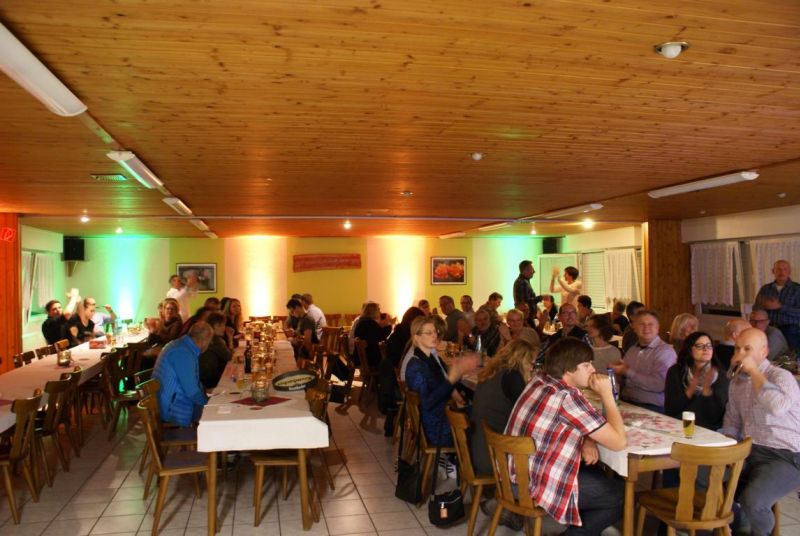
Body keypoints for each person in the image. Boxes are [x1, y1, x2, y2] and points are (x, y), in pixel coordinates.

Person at [506, 338, 626, 535]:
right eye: (586, 365)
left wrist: (588, 438)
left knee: (595, 471)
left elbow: (572, 421)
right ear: (569, 370)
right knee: (622, 496)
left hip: (512, 475)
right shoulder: (568, 398)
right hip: (531, 484)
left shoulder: (539, 381)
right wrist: (607, 394)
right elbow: (619, 442)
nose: (593, 369)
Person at [720, 328, 800, 536]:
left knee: (753, 501)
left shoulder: (781, 376)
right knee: (710, 482)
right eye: (737, 348)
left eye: (747, 349)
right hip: (750, 451)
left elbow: (777, 406)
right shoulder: (737, 382)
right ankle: (736, 528)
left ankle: (762, 532)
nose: (740, 354)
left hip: (786, 456)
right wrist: (729, 447)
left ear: (764, 352)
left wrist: (755, 372)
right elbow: (732, 419)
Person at [405, 317, 480, 447]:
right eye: (429, 333)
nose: (434, 335)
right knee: (482, 422)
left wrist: (458, 373)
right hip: (436, 428)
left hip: (441, 416)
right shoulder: (416, 366)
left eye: (435, 332)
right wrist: (451, 380)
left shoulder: (429, 360)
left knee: (482, 412)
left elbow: (443, 388)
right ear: (416, 338)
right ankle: (466, 458)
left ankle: (462, 458)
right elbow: (426, 403)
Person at [470, 339, 535, 477]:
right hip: (493, 456)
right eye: (530, 363)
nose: (531, 368)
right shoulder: (513, 376)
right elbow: (527, 413)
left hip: (478, 447)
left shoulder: (493, 370)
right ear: (521, 360)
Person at [611, 309, 677, 413]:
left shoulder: (665, 352)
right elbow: (624, 380)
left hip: (652, 408)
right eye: (642, 324)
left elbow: (659, 385)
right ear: (635, 328)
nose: (646, 328)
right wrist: (617, 372)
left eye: (651, 324)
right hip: (627, 402)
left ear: (658, 328)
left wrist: (627, 371)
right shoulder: (632, 350)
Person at [664, 331, 729, 431]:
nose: (706, 349)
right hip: (677, 424)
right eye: (699, 346)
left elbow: (715, 417)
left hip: (707, 429)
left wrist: (706, 390)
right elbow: (670, 409)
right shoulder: (676, 371)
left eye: (709, 346)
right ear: (689, 349)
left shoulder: (721, 375)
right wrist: (691, 389)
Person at [152, 322, 213, 427]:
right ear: (205, 340)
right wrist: (209, 403)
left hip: (166, 403)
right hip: (172, 411)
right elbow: (192, 392)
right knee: (217, 415)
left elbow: (192, 381)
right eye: (210, 341)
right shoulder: (183, 353)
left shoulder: (179, 345)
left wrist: (206, 391)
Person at [754, 259, 800, 350]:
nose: (782, 272)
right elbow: (755, 308)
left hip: (790, 330)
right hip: (768, 327)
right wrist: (763, 306)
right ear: (773, 271)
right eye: (778, 269)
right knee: (766, 353)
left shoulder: (797, 289)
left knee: (792, 355)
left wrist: (780, 307)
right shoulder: (765, 289)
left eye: (785, 269)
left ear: (789, 271)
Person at [352, 302, 392, 369]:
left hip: (361, 357)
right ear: (373, 311)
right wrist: (388, 325)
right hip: (370, 360)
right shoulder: (370, 323)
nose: (380, 312)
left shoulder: (362, 322)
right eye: (378, 310)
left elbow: (375, 335)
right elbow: (381, 337)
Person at [198, 312, 232, 390]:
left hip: (201, 377)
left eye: (224, 325)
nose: (223, 328)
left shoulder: (206, 336)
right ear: (211, 326)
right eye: (219, 325)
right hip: (209, 380)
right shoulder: (215, 340)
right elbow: (229, 357)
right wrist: (230, 338)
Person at [513, 260, 541, 326]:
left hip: (526, 317)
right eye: (532, 269)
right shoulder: (523, 282)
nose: (534, 271)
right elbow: (525, 302)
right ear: (525, 270)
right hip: (526, 318)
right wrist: (541, 297)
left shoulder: (523, 281)